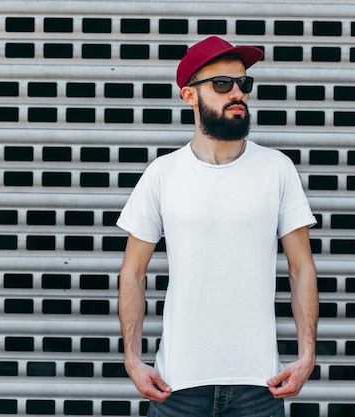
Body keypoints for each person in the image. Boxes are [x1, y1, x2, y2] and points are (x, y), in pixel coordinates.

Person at [117, 36, 318, 417]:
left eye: (244, 84)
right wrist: (132, 359)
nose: (237, 93)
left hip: (260, 387)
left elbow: (301, 267)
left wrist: (307, 354)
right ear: (189, 96)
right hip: (177, 387)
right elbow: (133, 272)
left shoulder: (277, 168)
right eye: (222, 84)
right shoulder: (163, 173)